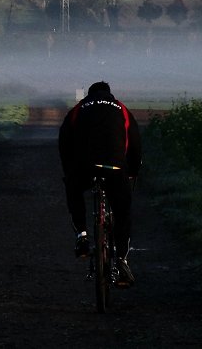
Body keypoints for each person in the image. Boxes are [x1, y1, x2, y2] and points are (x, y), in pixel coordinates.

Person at [58, 81, 142, 287]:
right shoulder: (121, 109)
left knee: (74, 190)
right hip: (115, 167)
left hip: (84, 167)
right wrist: (132, 174)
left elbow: (64, 142)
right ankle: (122, 260)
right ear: (109, 94)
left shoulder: (78, 110)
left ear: (89, 95)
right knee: (122, 212)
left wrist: (69, 172)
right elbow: (135, 145)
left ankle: (82, 236)